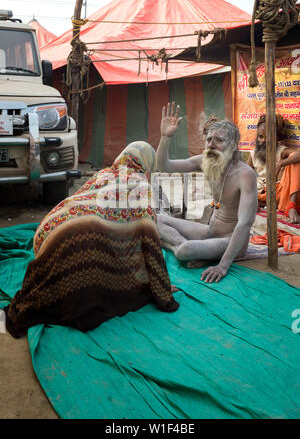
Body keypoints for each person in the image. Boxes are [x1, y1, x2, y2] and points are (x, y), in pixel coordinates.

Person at [4, 141, 179, 338]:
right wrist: (159, 287)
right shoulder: (140, 184)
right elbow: (150, 240)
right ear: (147, 163)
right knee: (110, 257)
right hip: (75, 246)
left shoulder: (102, 174)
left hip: (46, 232)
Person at [156, 102, 257, 284]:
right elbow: (164, 166)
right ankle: (185, 248)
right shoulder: (205, 161)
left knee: (185, 250)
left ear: (233, 146)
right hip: (210, 232)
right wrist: (165, 137)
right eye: (209, 139)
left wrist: (223, 266)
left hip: (231, 240)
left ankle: (184, 249)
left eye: (219, 140)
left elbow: (244, 223)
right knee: (157, 219)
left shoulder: (245, 174)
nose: (211, 145)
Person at [248, 114, 300, 224]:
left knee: (296, 162)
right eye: (261, 136)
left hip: (277, 194)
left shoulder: (281, 151)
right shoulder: (253, 154)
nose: (264, 141)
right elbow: (245, 177)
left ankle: (292, 207)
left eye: (269, 137)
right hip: (259, 195)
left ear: (277, 138)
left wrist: (281, 163)